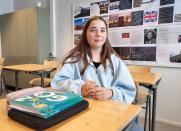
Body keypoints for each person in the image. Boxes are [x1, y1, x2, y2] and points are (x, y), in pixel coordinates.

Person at [51, 16, 142, 131]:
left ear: (106, 35)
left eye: (102, 30)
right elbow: (57, 83)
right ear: (85, 34)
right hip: (80, 115)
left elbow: (129, 90)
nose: (98, 34)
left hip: (110, 115)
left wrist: (111, 93)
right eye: (93, 30)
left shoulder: (116, 61)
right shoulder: (73, 59)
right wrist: (80, 89)